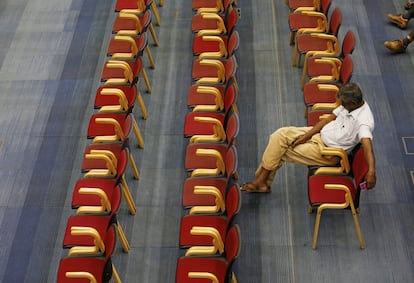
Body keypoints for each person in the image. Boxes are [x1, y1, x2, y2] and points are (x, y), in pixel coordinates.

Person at [241, 82, 376, 193]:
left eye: (343, 104)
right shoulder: (348, 105)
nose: (340, 106)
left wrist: (371, 172)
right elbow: (329, 119)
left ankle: (260, 181)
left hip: (328, 152)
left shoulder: (363, 121)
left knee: (282, 150)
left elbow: (367, 147)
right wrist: (306, 136)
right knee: (279, 135)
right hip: (319, 135)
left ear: (352, 103)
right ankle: (262, 182)